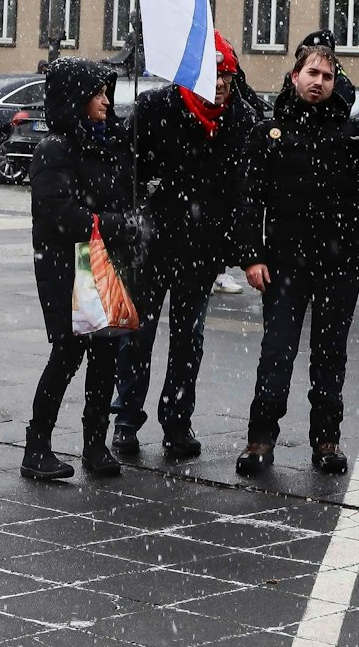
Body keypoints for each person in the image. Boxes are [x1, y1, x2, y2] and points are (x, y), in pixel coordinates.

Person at [235, 46, 359, 477]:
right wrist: (251, 256)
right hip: (284, 263)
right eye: (312, 73)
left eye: (328, 76)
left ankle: (327, 440)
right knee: (276, 353)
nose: (319, 82)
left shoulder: (352, 133)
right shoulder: (269, 133)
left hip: (339, 263)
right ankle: (260, 439)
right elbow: (248, 200)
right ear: (295, 75)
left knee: (330, 355)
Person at [113, 34, 255, 460]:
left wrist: (233, 244)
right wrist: (138, 207)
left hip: (201, 250)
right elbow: (125, 169)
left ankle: (177, 422)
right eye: (213, 79)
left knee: (188, 341)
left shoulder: (241, 120)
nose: (221, 88)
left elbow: (244, 191)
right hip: (151, 244)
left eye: (226, 79)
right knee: (136, 336)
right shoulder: (154, 107)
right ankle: (126, 419)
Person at [23, 59, 143, 481]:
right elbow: (58, 214)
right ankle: (37, 447)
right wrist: (113, 225)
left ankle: (95, 443)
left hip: (102, 264)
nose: (106, 101)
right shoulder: (54, 148)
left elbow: (120, 192)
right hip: (65, 266)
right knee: (68, 354)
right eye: (98, 93)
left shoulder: (105, 142)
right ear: (76, 98)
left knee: (107, 352)